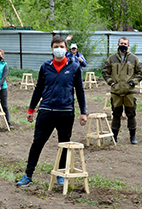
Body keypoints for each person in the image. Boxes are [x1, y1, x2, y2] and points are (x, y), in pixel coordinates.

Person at [16, 36, 88, 187]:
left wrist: (83, 112)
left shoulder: (74, 67)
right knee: (37, 143)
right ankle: (28, 175)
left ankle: (61, 175)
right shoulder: (45, 67)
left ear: (66, 49)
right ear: (51, 49)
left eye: (62, 46)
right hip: (46, 111)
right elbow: (38, 89)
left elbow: (80, 91)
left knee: (64, 144)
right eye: (56, 46)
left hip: (66, 112)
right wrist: (31, 109)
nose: (59, 49)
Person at [101, 36, 142, 144]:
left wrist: (133, 82)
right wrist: (111, 82)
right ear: (118, 44)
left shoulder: (134, 59)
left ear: (128, 46)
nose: (123, 45)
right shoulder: (112, 59)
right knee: (116, 115)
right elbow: (105, 72)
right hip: (116, 93)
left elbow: (141, 73)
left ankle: (132, 137)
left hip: (129, 92)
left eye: (125, 44)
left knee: (131, 114)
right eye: (121, 43)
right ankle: (114, 137)